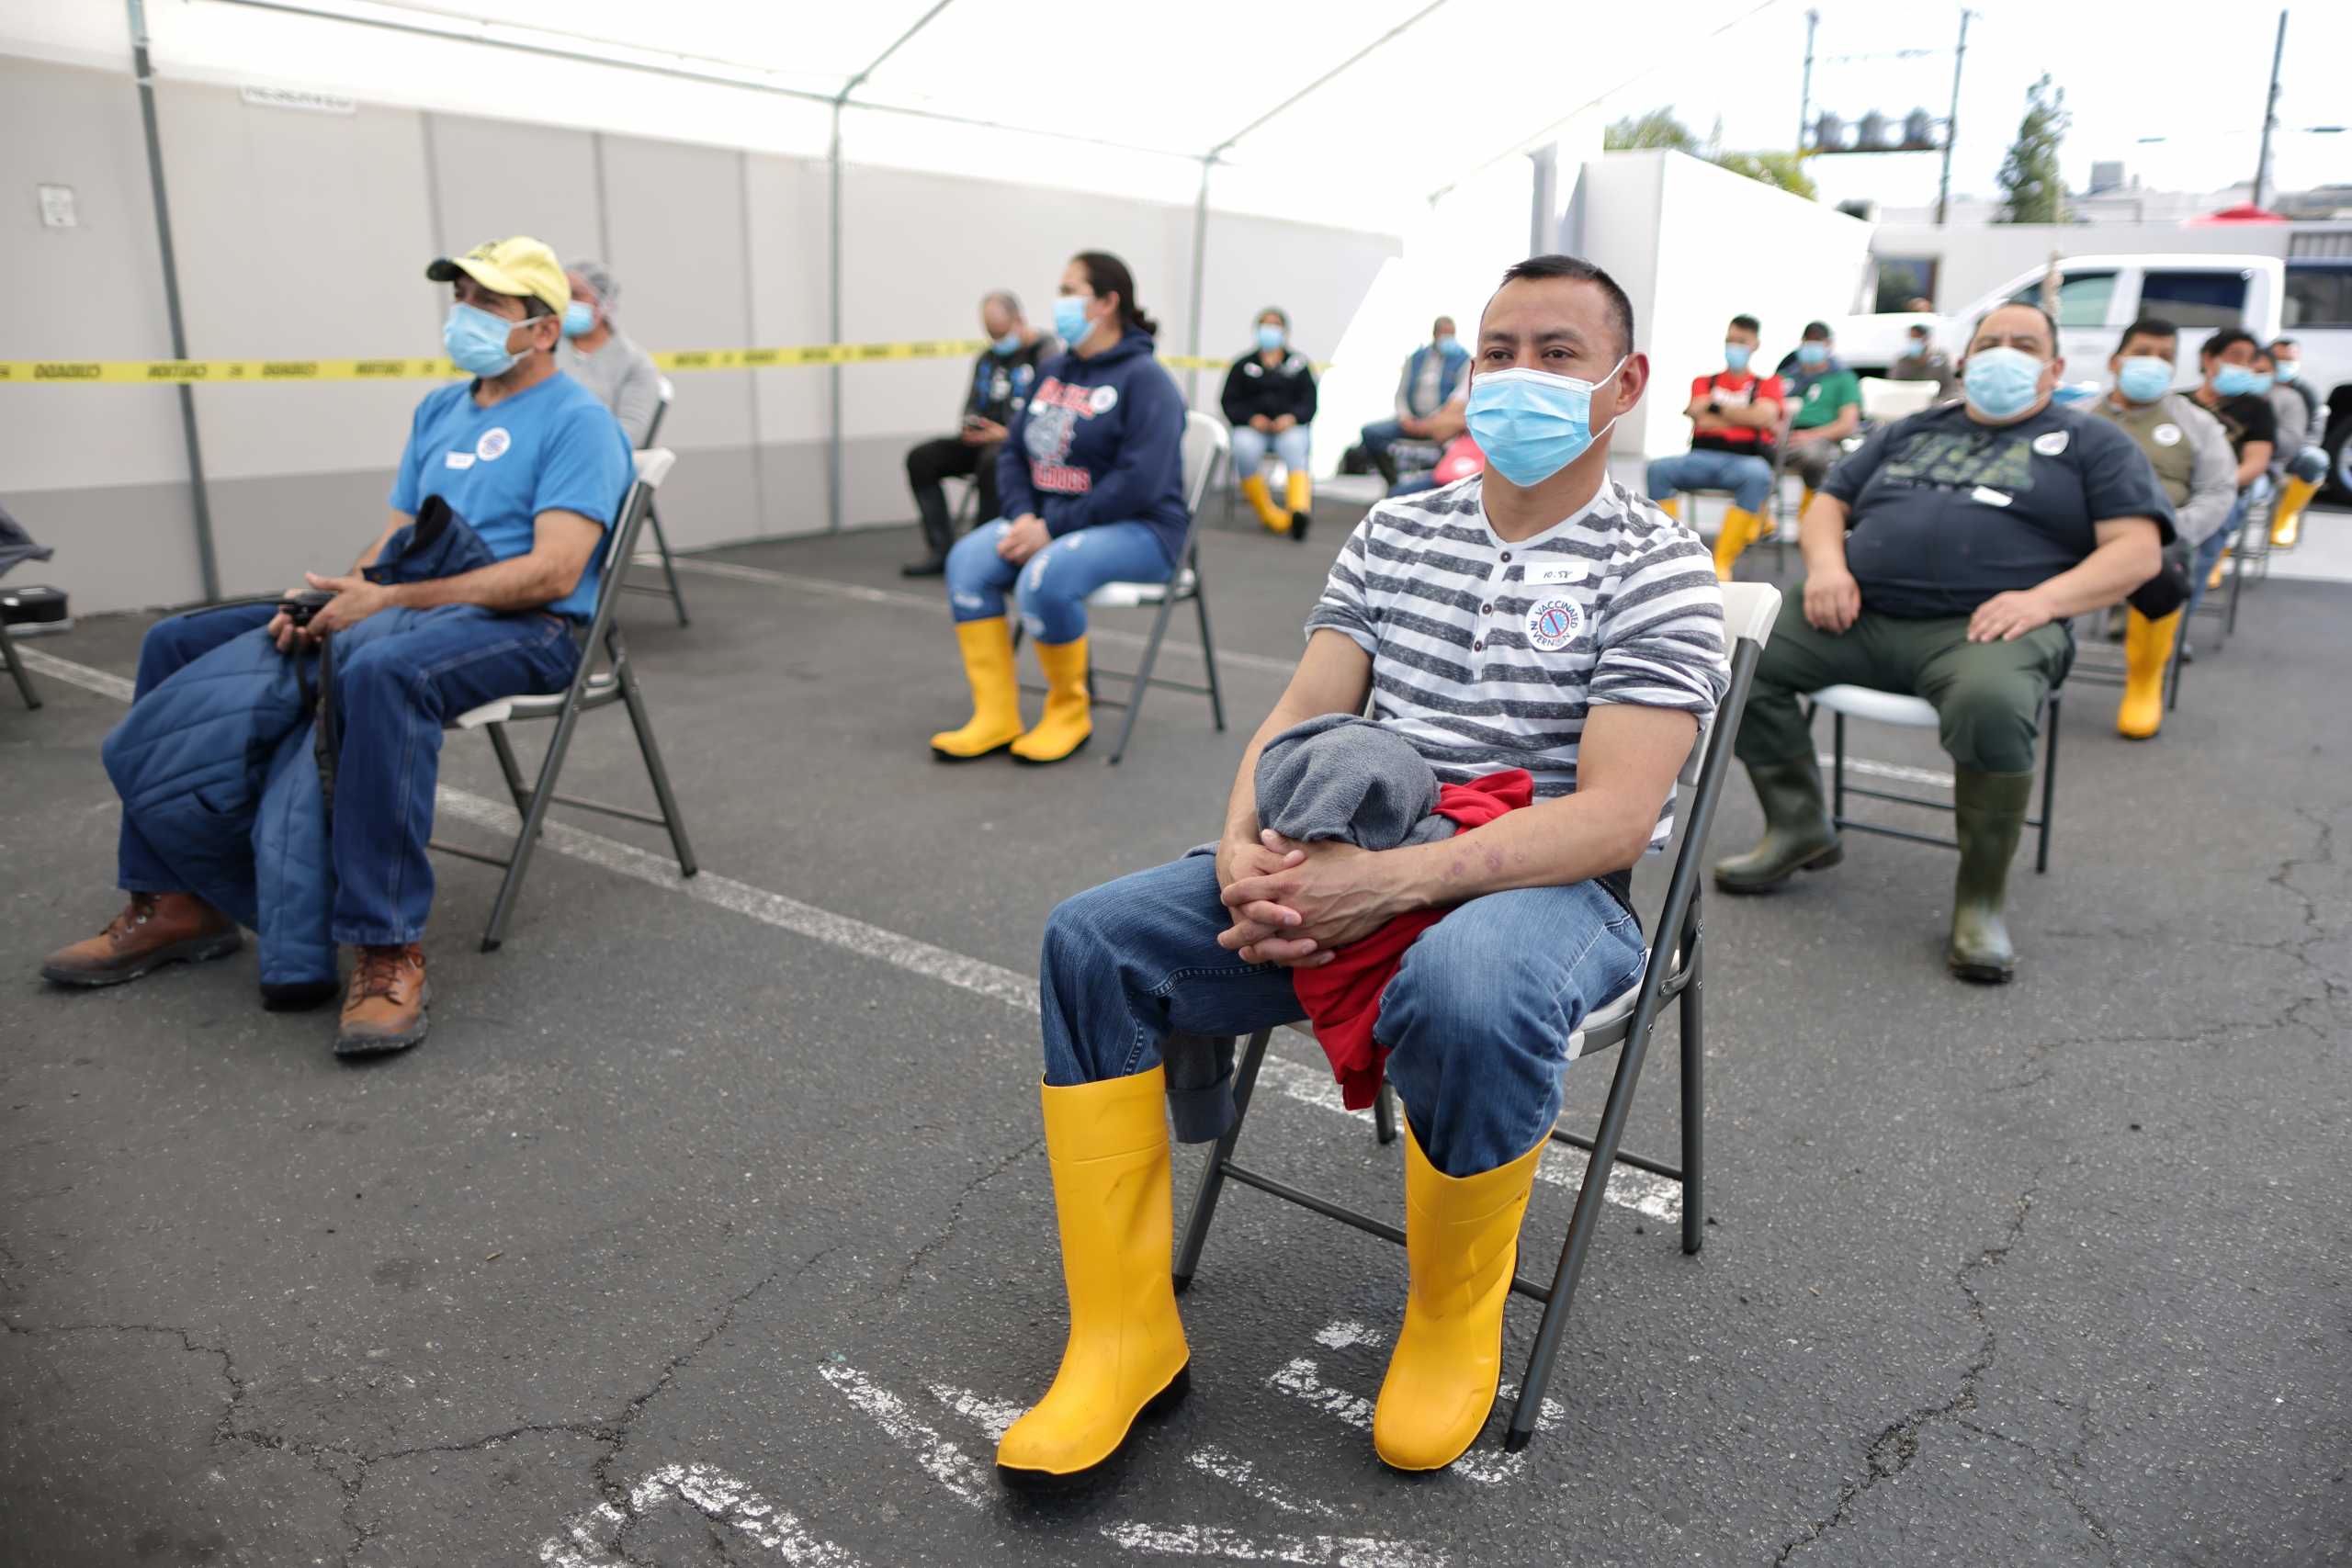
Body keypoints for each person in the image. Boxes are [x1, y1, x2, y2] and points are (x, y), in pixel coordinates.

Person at [991, 254, 1726, 1487]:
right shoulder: (1395, 530)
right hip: (1352, 852)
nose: (1519, 378)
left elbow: (1610, 819)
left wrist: (1384, 887)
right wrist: (1241, 851)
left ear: (1625, 383)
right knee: (1094, 938)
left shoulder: (1657, 568)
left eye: (1559, 354)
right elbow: (1301, 709)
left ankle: (1450, 1320)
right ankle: (1125, 1335)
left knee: (1469, 986)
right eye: (1499, 353)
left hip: (1552, 893)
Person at [40, 236, 634, 1055]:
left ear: (540, 330)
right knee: (177, 640)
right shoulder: (440, 410)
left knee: (385, 668)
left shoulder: (580, 423)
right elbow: (395, 538)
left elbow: (552, 572)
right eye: (460, 297)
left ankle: (386, 946)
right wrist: (329, 597)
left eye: (487, 304)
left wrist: (384, 602)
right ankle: (177, 902)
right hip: (418, 606)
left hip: (531, 629)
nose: (463, 316)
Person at [1713, 302, 2169, 983]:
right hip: (1859, 616)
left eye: (2024, 343)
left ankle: (1980, 900)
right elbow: (1831, 505)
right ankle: (1798, 825)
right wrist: (1830, 568)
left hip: (1988, 630)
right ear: (1964, 359)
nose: (2004, 354)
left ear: (2056, 366)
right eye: (1990, 342)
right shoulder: (1910, 431)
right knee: (1738, 654)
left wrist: (2043, 600)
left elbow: (2137, 553)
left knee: (1992, 703)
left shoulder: (2094, 443)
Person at [928, 251, 1188, 767]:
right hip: (1049, 522)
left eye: (1072, 291)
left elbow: (1139, 483)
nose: (1060, 301)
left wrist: (1052, 527)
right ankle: (996, 715)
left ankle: (1069, 712)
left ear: (1108, 303)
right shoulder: (1053, 370)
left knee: (1046, 576)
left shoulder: (1147, 380)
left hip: (1142, 531)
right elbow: (1013, 454)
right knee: (967, 563)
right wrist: (1025, 517)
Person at [2089, 317, 2237, 738]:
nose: (2153, 363)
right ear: (2116, 361)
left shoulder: (2198, 424)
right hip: (2078, 535)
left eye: (2165, 357)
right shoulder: (2078, 416)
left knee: (2166, 569)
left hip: (2158, 539)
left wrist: (2167, 534)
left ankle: (2143, 679)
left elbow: (2219, 491)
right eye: (2142, 353)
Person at [901, 292, 1056, 578]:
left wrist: (1008, 434)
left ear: (1019, 321)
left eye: (1002, 333)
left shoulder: (1047, 357)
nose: (997, 341)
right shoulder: (987, 358)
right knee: (921, 458)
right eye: (991, 334)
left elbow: (1050, 418)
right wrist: (971, 426)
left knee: (995, 461)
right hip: (984, 440)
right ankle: (941, 549)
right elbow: (972, 402)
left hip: (1021, 446)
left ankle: (984, 552)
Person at [1645, 313, 1785, 579]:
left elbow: (1764, 417)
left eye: (1741, 341)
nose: (1734, 346)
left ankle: (1722, 563)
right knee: (1657, 469)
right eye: (1730, 340)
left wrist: (1716, 408)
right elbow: (1698, 414)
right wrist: (1745, 415)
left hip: (1743, 463)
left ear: (1755, 344)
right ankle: (1670, 552)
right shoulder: (1703, 381)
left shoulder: (1767, 384)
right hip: (1699, 457)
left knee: (1758, 475)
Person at [2180, 328, 2276, 630]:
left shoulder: (2257, 409)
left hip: (2225, 490)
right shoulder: (2178, 403)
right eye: (2236, 357)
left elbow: (2255, 463)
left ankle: (2175, 626)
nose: (2243, 366)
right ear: (2209, 359)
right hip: (2175, 487)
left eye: (2249, 360)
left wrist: (2214, 489)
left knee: (2211, 532)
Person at [1221, 307, 1318, 541]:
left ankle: (1298, 511)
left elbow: (1310, 402)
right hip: (1254, 428)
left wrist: (1292, 417)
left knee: (1297, 446)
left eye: (1274, 325)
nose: (1269, 330)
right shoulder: (1243, 365)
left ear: (1285, 331)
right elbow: (1229, 401)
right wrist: (1250, 418)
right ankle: (1270, 514)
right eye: (1265, 325)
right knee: (1244, 448)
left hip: (1288, 428)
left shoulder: (1299, 364)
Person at [558, 260, 662, 446]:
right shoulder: (544, 349)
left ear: (604, 302)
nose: (567, 302)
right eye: (561, 294)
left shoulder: (634, 364)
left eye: (576, 295)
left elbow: (630, 434)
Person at [1358, 317, 1470, 488]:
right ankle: (1393, 481)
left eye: (1451, 334)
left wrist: (1432, 423)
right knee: (1371, 433)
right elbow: (1401, 393)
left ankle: (1438, 483)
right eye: (1444, 334)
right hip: (1411, 422)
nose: (1448, 339)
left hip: (1441, 425)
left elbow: (1458, 399)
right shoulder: (1415, 358)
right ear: (1435, 334)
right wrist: (1405, 417)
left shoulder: (1464, 360)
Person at [1781, 321, 1863, 506]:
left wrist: (1810, 436)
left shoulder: (1843, 378)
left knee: (1815, 456)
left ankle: (1812, 517)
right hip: (1781, 436)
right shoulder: (1786, 376)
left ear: (1828, 345)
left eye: (1817, 341)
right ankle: (1761, 523)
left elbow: (1847, 424)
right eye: (1808, 341)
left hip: (1820, 439)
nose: (1811, 346)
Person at [2263, 337, 2327, 548]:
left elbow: (2313, 433)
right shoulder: (2257, 384)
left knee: (2315, 460)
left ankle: (2286, 516)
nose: (2284, 365)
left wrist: (2287, 450)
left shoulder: (2306, 392)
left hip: (2292, 452)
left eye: (2289, 360)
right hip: (2257, 452)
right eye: (2278, 358)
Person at [1891, 322, 1958, 400]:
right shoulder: (1902, 362)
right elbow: (1895, 385)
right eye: (1911, 338)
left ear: (1926, 338)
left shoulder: (1940, 359)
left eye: (1916, 338)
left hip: (1935, 403)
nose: (1913, 342)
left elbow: (1949, 387)